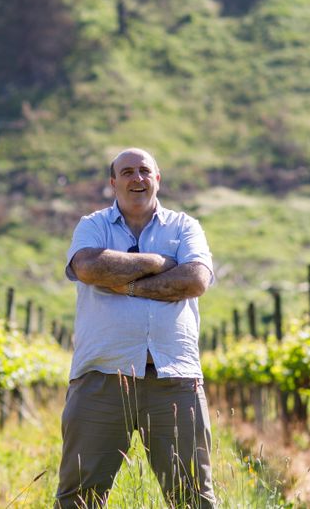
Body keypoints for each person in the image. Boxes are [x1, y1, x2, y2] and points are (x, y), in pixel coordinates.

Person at [55, 148, 216, 508]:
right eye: (126, 172)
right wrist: (159, 263)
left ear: (157, 179)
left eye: (145, 171)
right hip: (101, 378)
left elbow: (194, 280)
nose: (137, 178)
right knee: (79, 496)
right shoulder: (92, 225)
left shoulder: (185, 226)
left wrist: (126, 285)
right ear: (113, 182)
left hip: (174, 379)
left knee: (193, 496)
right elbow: (88, 267)